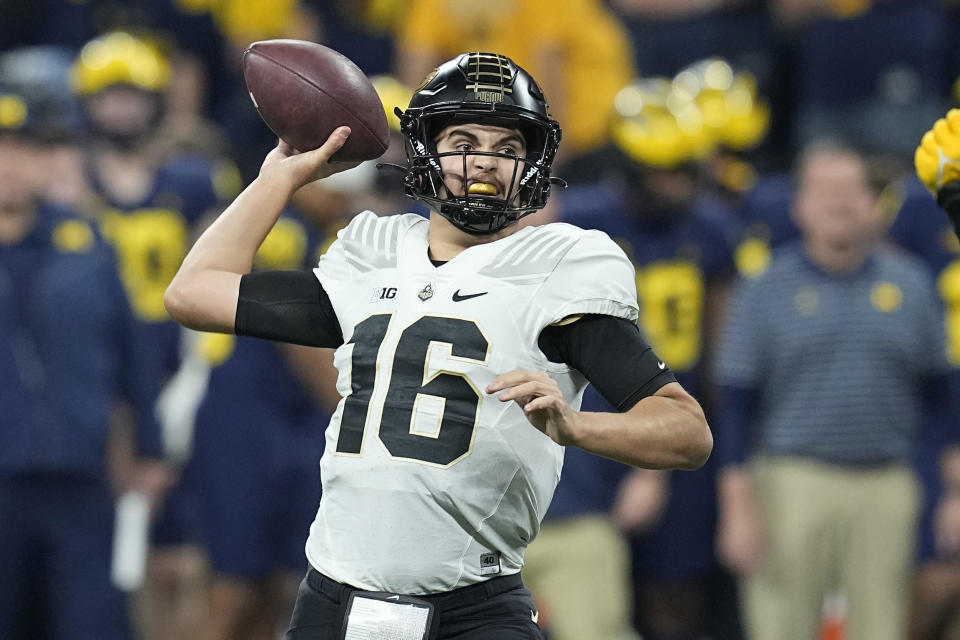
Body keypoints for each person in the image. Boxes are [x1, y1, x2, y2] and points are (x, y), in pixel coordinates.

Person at [164, 51, 713, 639]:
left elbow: (687, 432)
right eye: (463, 141)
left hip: (472, 609)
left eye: (508, 148)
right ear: (425, 149)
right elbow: (194, 292)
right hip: (334, 597)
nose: (485, 163)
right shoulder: (372, 255)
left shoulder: (555, 267)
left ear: (532, 163)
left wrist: (578, 428)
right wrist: (280, 174)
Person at [714, 139, 959, 640]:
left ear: (874, 203)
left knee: (882, 628)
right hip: (790, 481)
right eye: (824, 189)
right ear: (798, 205)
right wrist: (737, 506)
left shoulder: (912, 284)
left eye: (852, 189)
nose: (840, 202)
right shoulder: (763, 288)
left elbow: (943, 398)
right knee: (782, 627)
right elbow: (736, 404)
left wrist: (953, 490)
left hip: (887, 483)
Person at [0, 92, 170, 640]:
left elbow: (132, 353)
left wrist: (150, 446)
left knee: (89, 624)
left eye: (20, 149)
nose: (8, 164)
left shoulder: (86, 242)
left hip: (80, 475)